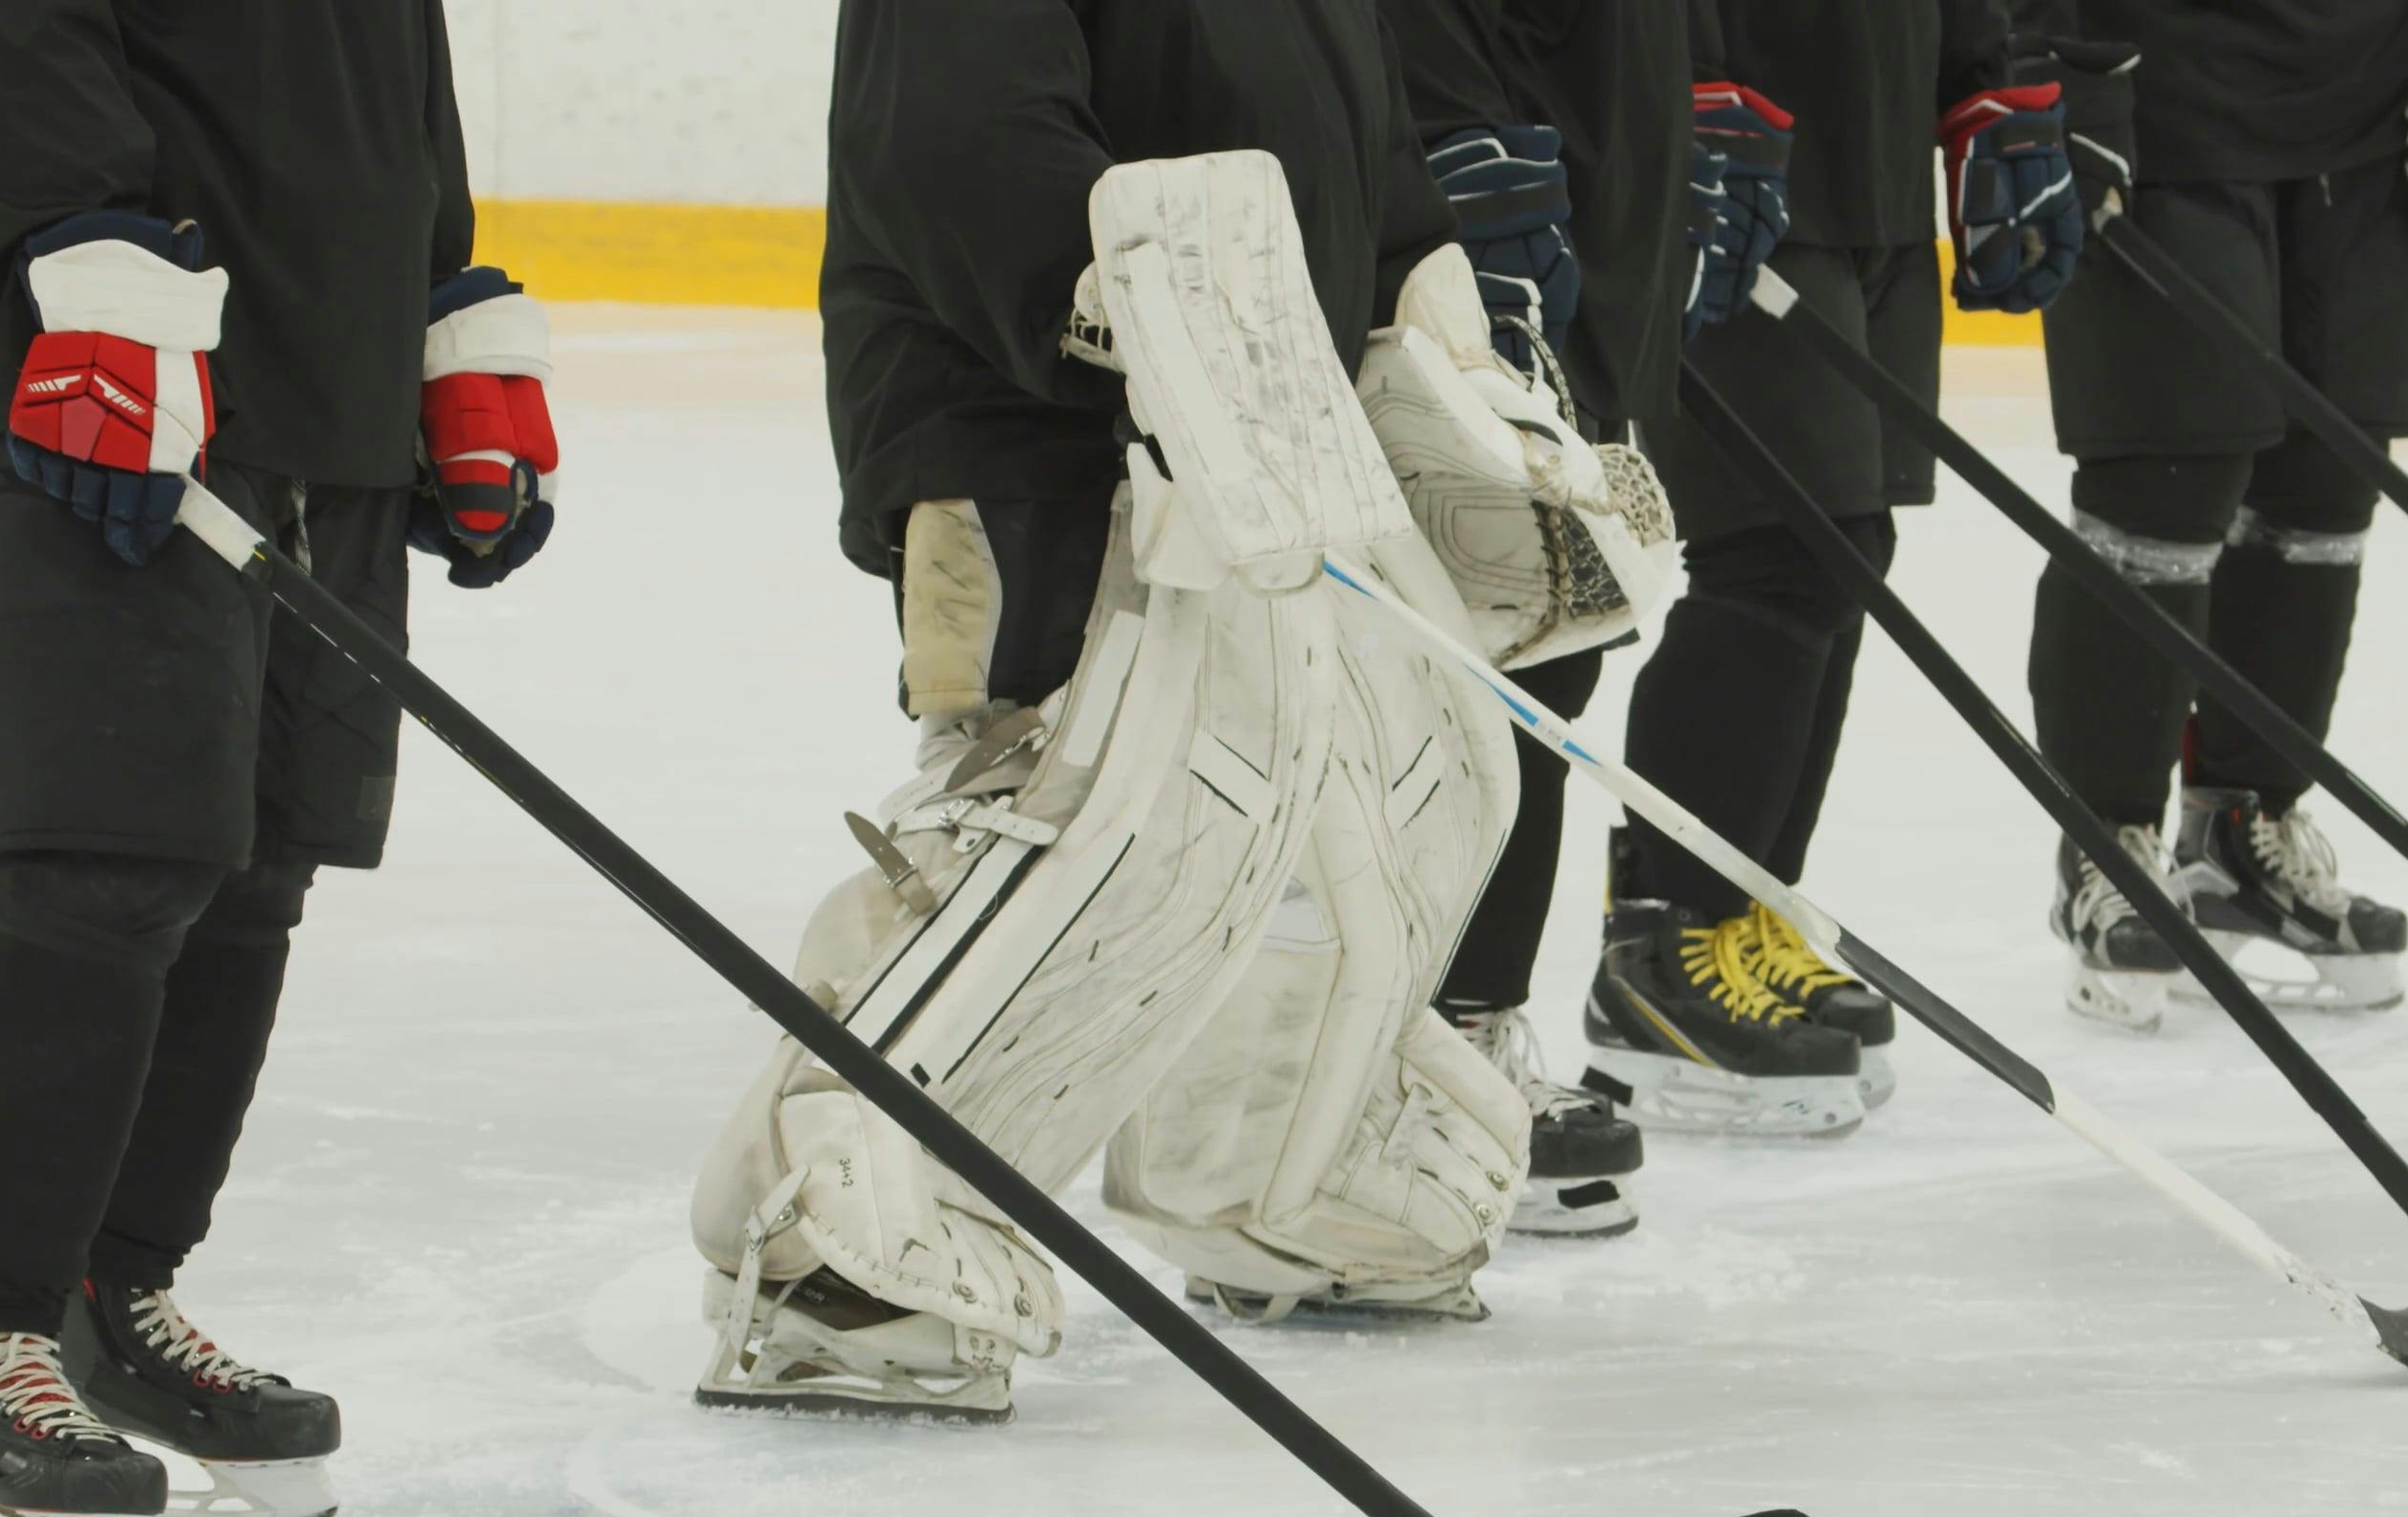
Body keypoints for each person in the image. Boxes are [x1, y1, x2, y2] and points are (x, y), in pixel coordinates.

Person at [689, 0, 1678, 1422]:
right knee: (1074, 815)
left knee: (1337, 798)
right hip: (1027, 430)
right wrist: (1134, 314)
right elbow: (956, 140)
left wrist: (1433, 321)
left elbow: (1362, 151)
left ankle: (1281, 1175)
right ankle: (828, 1240)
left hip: (1268, 442)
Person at [0, 0, 560, 1517]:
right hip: (102, 386)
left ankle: (113, 1297)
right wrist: (75, 256)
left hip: (326, 402)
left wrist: (438, 319)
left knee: (252, 872)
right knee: (101, 863)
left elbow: (391, 95)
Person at [2024, 0, 2408, 1027]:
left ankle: (2245, 831)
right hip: (2149, 95)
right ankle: (2107, 850)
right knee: (2167, 484)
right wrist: (2048, 54)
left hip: (2372, 107)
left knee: (2326, 486)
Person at [1593, 0, 2078, 1136]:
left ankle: (1738, 909)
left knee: (1845, 551)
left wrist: (1981, 75)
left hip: (1875, 145)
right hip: (1725, 140)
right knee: (1772, 552)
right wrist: (1693, 82)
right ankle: (1660, 947)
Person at [1380, 0, 1712, 1239]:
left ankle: (1466, 1022)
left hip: (1601, 193)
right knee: (1455, 643)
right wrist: (1451, 140)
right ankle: (1395, 1045)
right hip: (1472, 190)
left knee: (1557, 649)